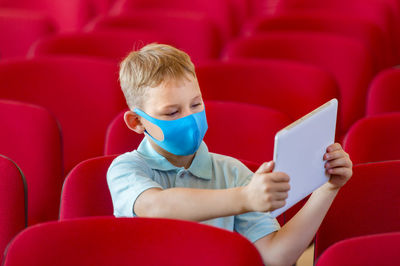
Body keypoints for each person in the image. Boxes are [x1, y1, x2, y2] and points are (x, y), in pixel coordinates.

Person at [107, 43, 353, 265]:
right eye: (171, 112)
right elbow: (156, 206)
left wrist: (326, 189)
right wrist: (245, 198)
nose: (190, 118)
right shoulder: (126, 169)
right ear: (137, 122)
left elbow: (275, 258)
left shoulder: (233, 173)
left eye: (196, 105)